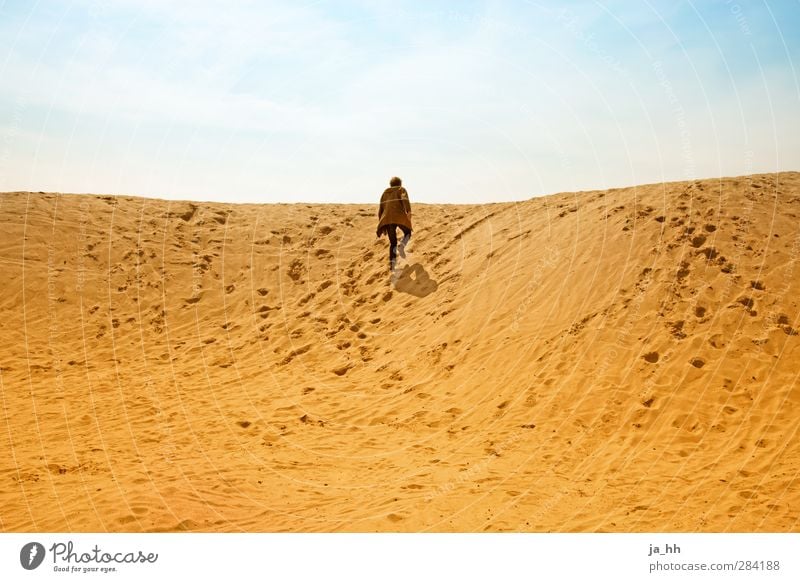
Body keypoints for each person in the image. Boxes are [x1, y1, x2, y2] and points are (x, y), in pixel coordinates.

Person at [376, 176, 413, 271]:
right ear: (400, 183)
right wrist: (408, 211)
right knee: (408, 232)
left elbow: (381, 208)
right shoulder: (401, 189)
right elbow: (404, 199)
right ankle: (402, 246)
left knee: (393, 243)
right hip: (399, 216)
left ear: (390, 184)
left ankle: (392, 266)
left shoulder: (385, 193)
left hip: (387, 219)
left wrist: (381, 222)